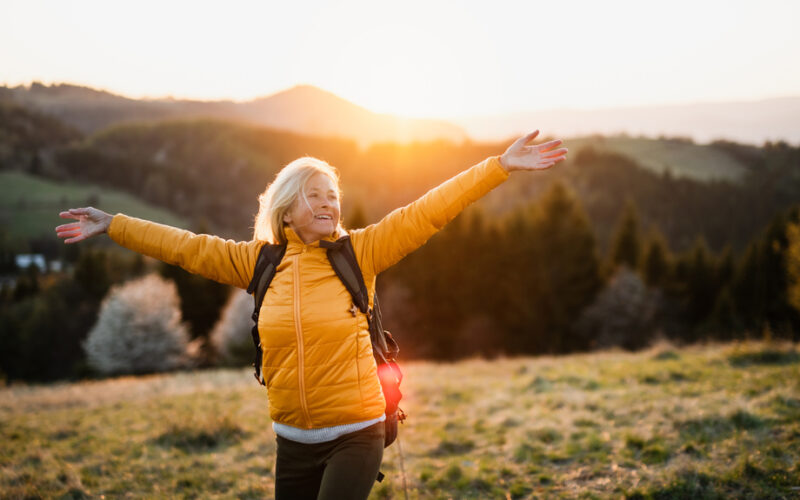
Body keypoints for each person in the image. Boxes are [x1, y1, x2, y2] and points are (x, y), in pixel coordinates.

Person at [55, 130, 567, 500]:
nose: (328, 204)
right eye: (314, 195)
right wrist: (113, 224)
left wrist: (498, 166)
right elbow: (184, 247)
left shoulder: (360, 253)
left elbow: (429, 210)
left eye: (333, 196)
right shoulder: (258, 263)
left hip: (358, 431)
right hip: (292, 440)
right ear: (286, 208)